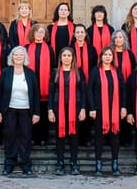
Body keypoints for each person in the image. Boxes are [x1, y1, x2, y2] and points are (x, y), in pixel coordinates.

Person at [0, 46, 41, 176]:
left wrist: (36, 112)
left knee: (26, 137)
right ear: (12, 57)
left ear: (25, 57)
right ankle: (9, 164)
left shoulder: (30, 73)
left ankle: (26, 165)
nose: (18, 57)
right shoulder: (6, 72)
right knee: (10, 137)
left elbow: (36, 94)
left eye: (21, 54)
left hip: (26, 110)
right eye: (16, 54)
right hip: (9, 110)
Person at [48, 47, 87, 176]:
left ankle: (74, 163)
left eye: (69, 55)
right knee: (60, 136)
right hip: (58, 107)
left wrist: (82, 109)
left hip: (75, 108)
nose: (66, 58)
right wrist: (50, 110)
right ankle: (60, 163)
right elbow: (51, 92)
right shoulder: (55, 72)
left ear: (73, 58)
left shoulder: (78, 72)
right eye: (64, 55)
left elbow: (83, 92)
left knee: (74, 137)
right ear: (60, 58)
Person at [88, 46, 126, 176]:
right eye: (105, 55)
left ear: (113, 57)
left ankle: (114, 163)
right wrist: (92, 108)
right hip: (99, 109)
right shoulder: (95, 71)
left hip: (115, 109)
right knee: (99, 137)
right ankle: (98, 164)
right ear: (101, 57)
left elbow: (123, 90)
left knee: (115, 136)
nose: (107, 57)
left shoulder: (117, 71)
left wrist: (123, 107)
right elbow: (90, 90)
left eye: (110, 55)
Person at [25, 23, 55, 146]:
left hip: (45, 84)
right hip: (30, 84)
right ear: (33, 34)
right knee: (30, 111)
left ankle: (43, 137)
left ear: (45, 35)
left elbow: (53, 67)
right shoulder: (26, 48)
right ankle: (32, 136)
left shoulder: (49, 48)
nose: (39, 34)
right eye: (37, 32)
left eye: (41, 32)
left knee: (43, 111)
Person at [72, 23, 97, 146]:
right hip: (73, 84)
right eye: (77, 32)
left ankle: (86, 137)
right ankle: (74, 137)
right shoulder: (70, 49)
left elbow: (95, 67)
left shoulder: (92, 49)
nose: (80, 34)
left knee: (86, 109)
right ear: (74, 34)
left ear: (85, 34)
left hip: (88, 83)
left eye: (82, 32)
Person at [112, 29, 135, 147]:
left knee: (126, 109)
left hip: (127, 85)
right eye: (116, 37)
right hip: (113, 87)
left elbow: (134, 70)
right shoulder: (110, 53)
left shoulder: (130, 54)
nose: (118, 39)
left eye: (120, 37)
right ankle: (112, 137)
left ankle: (126, 138)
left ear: (124, 39)